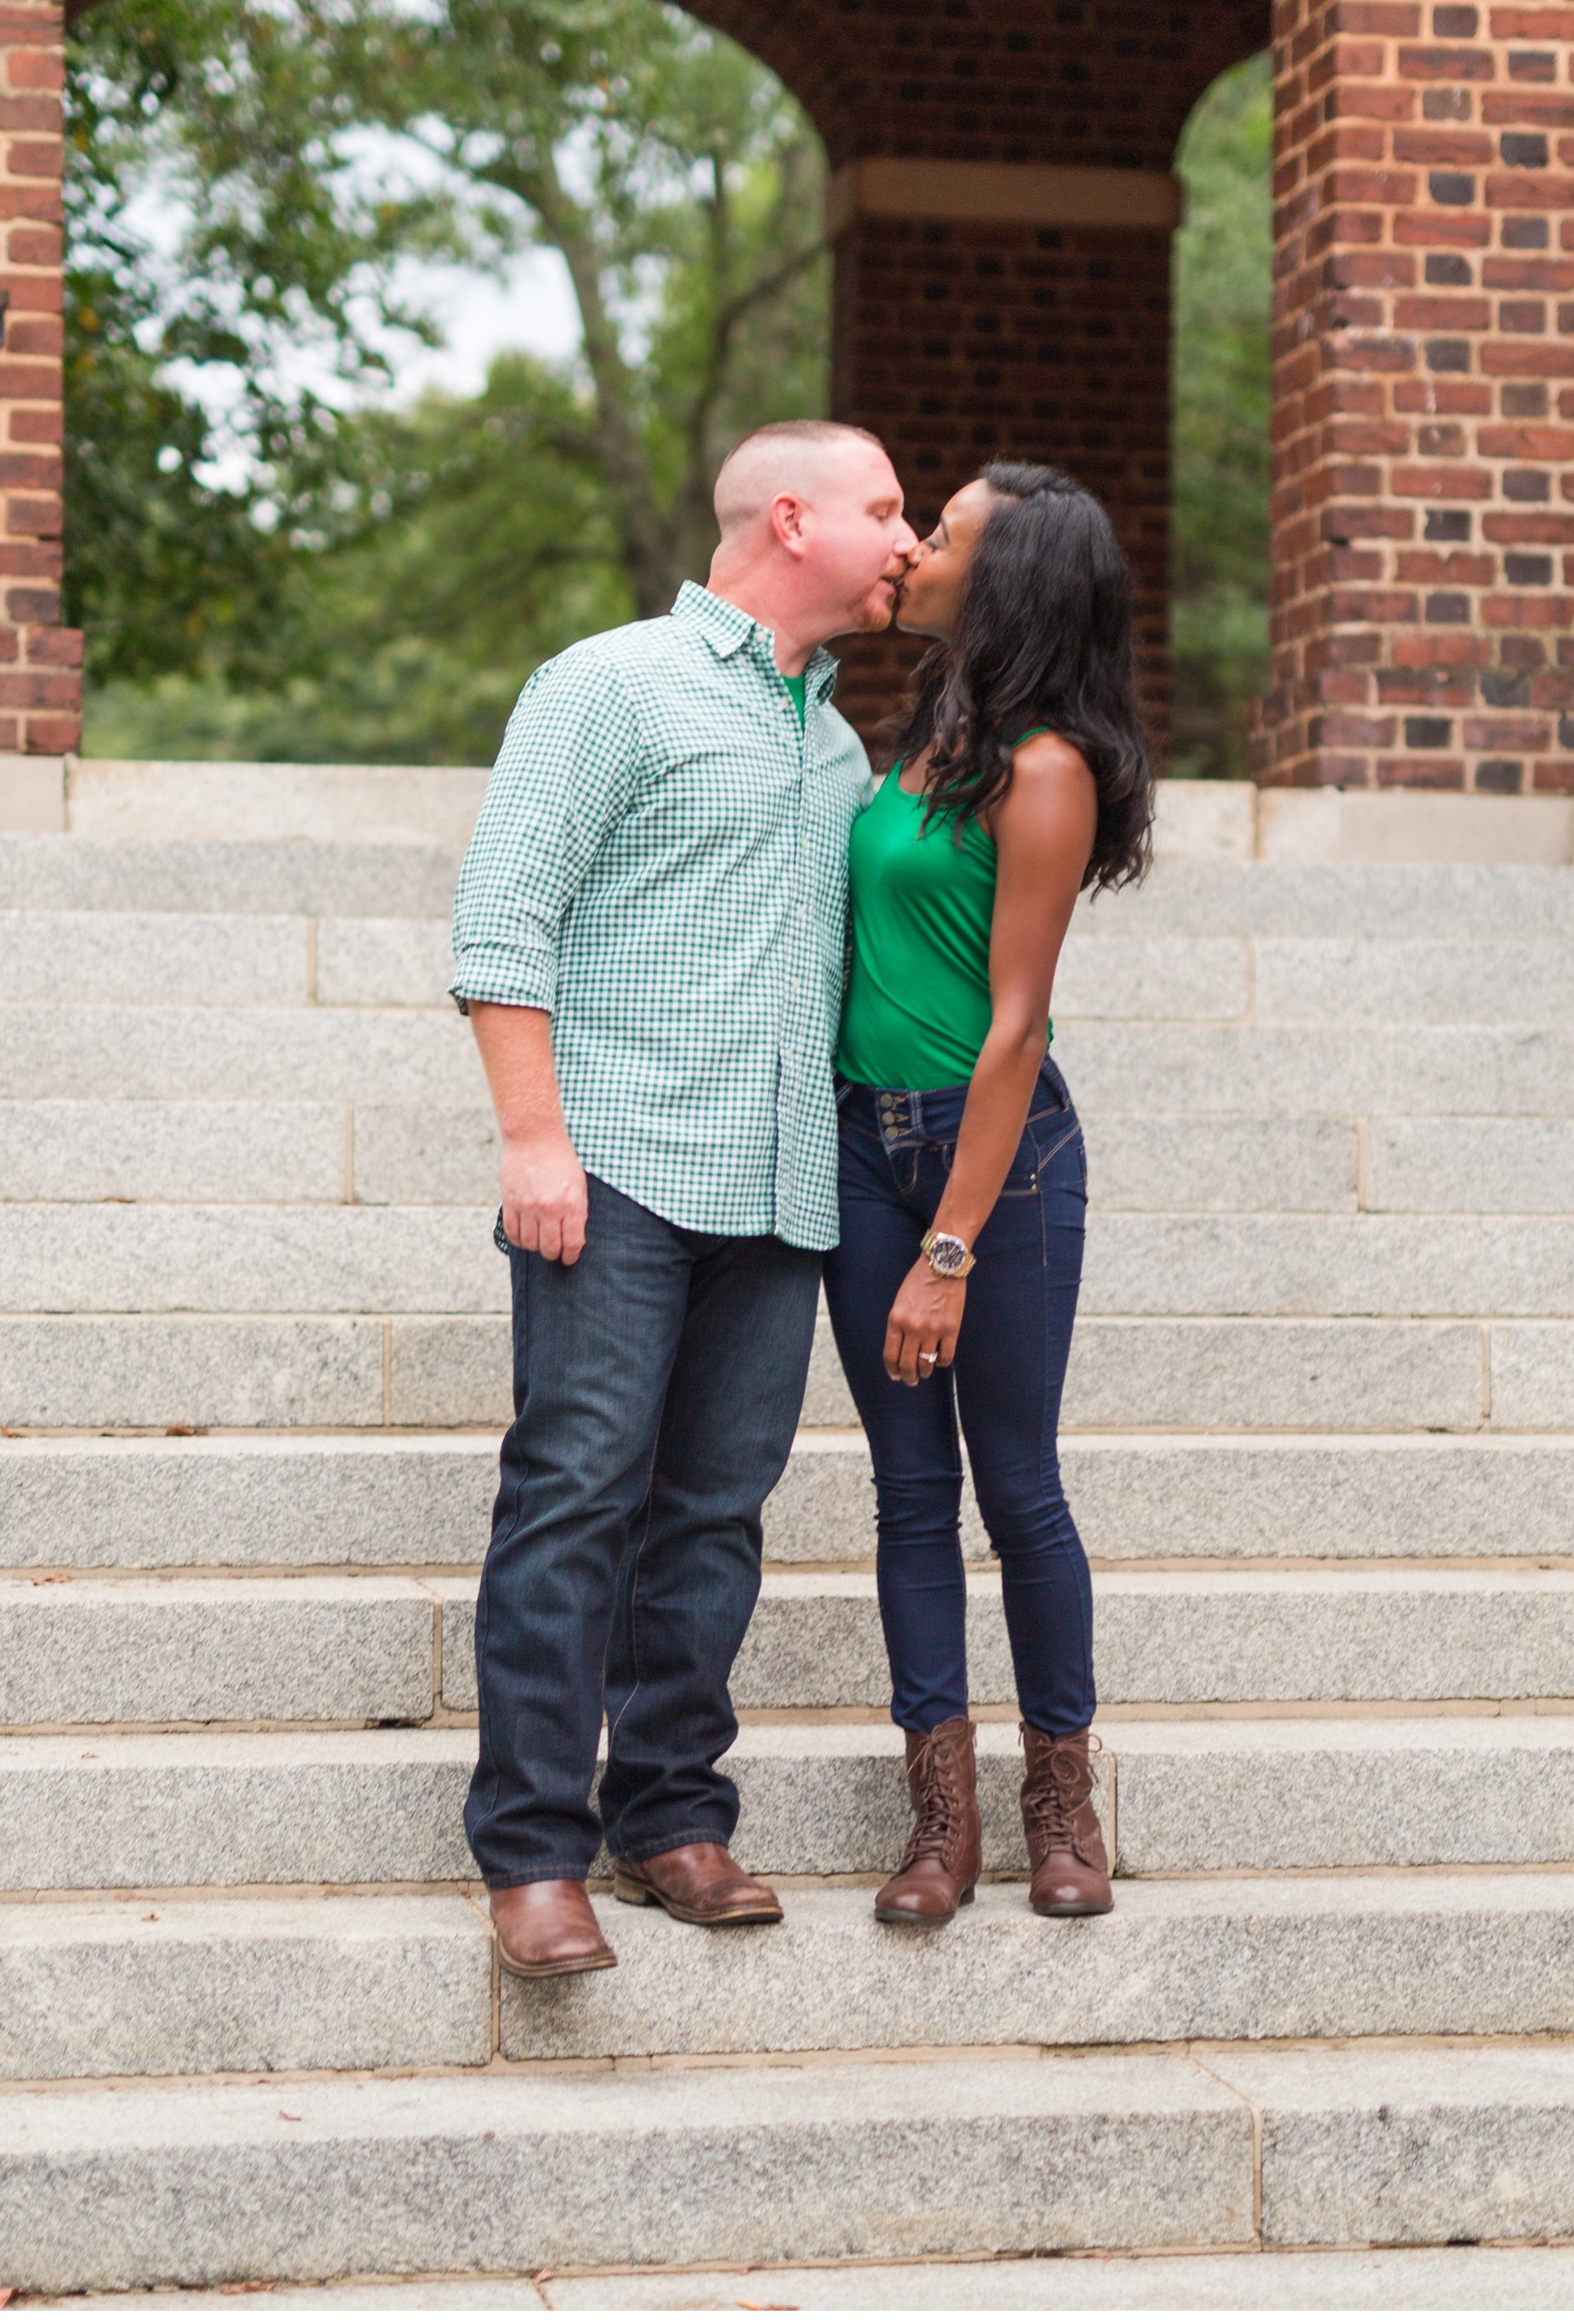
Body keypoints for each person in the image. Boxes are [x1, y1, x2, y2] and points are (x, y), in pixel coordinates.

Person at [450, 419, 916, 1978]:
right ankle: (530, 1855)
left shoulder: (839, 745)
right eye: (886, 510)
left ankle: (668, 1816)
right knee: (576, 1493)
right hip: (620, 1170)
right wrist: (534, 1146)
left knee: (712, 1519)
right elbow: (502, 922)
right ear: (792, 520)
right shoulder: (607, 685)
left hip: (779, 1194)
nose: (907, 539)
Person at [822, 462, 1154, 1928]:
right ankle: (939, 1822)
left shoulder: (1048, 767)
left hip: (992, 1159)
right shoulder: (922, 740)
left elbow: (1015, 1024)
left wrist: (949, 1249)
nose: (916, 546)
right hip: (859, 1146)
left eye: (941, 534)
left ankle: (1061, 1808)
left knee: (1016, 1487)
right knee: (908, 1494)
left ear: (1007, 575)